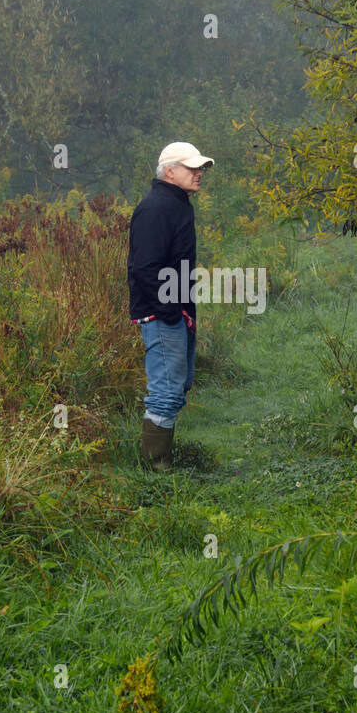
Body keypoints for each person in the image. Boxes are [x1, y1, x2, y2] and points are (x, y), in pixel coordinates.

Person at [127, 142, 214, 469]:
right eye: (192, 168)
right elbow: (144, 268)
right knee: (165, 390)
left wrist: (183, 311)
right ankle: (155, 469)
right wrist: (168, 312)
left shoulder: (177, 204)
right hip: (161, 312)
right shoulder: (155, 208)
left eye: (201, 168)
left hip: (176, 311)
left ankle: (161, 459)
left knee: (179, 385)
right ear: (169, 171)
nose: (199, 173)